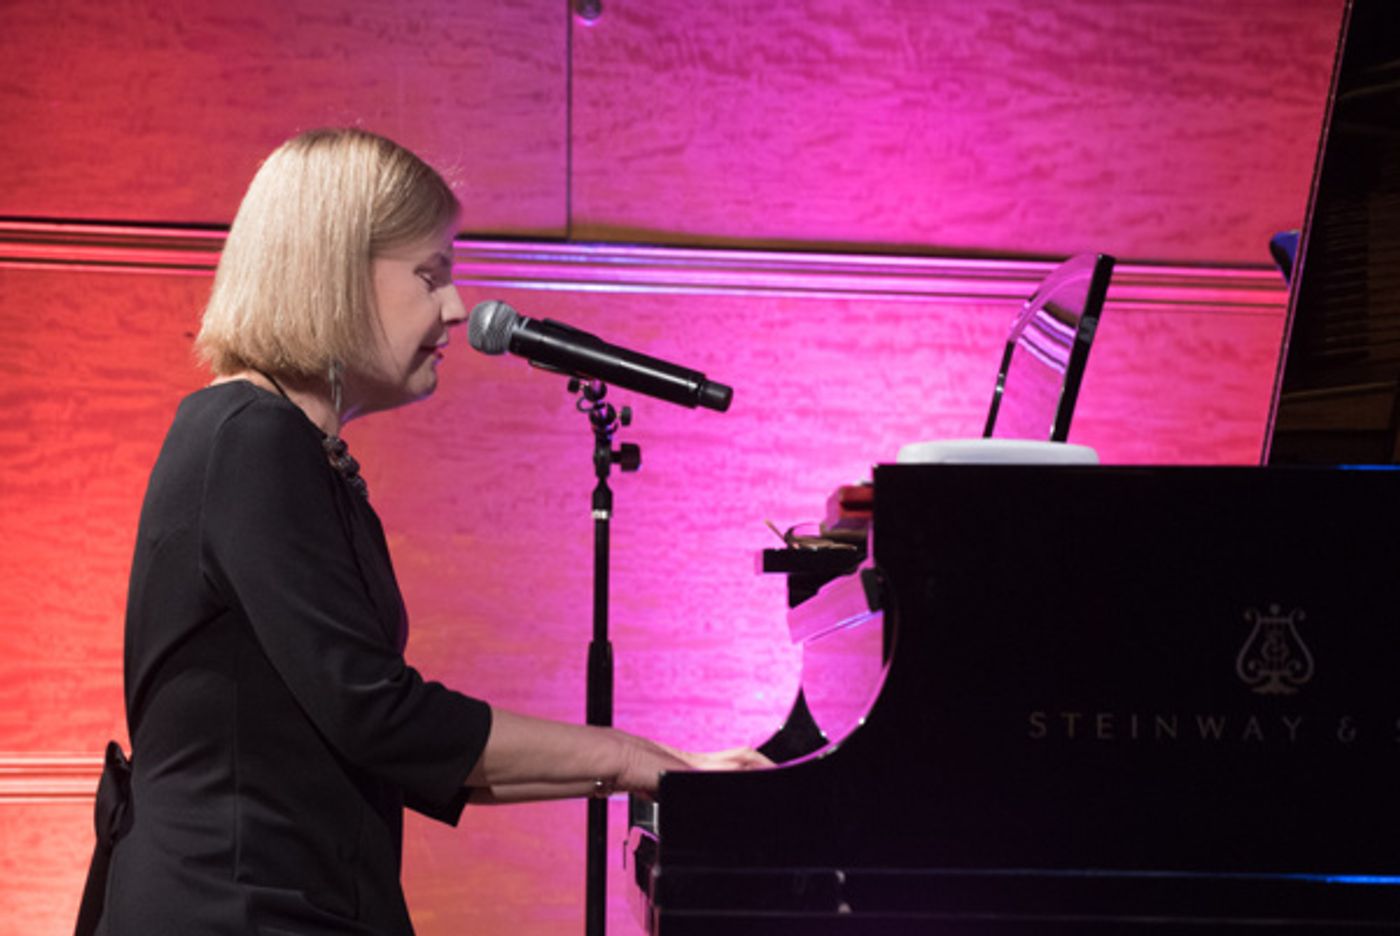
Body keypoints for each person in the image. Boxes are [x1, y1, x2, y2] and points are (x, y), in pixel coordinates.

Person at [85, 128, 766, 936]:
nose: (455, 306)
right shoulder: (248, 437)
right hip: (234, 911)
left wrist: (656, 771)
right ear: (334, 272)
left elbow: (398, 747)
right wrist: (632, 758)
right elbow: (382, 716)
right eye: (430, 273)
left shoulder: (293, 449)